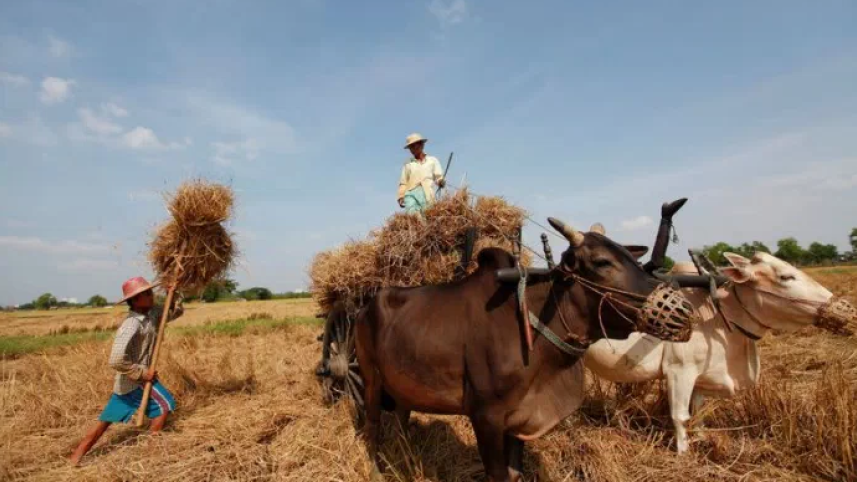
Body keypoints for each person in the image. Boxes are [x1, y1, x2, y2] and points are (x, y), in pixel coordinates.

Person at [69, 276, 184, 466]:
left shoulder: (152, 314)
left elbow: (173, 312)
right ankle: (152, 451)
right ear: (135, 300)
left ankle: (76, 456)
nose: (151, 295)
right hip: (135, 381)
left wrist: (173, 293)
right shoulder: (131, 324)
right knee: (165, 404)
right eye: (146, 293)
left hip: (126, 384)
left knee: (105, 420)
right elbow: (115, 359)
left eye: (150, 291)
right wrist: (141, 373)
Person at [397, 132, 446, 214]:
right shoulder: (408, 164)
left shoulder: (432, 160)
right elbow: (403, 182)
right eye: (410, 147)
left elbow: (438, 177)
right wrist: (401, 196)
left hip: (427, 194)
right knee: (413, 216)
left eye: (414, 146)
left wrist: (441, 181)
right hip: (411, 194)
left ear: (421, 145)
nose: (412, 149)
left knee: (427, 216)